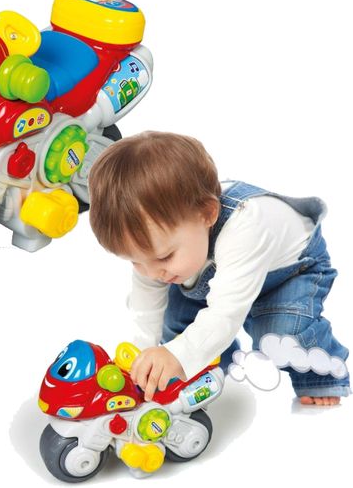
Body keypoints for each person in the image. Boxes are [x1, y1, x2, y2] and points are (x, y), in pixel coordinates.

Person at [88, 131, 350, 406]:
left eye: (164, 257)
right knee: (172, 316)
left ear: (207, 214)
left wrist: (178, 354)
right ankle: (213, 365)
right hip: (220, 273)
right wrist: (142, 357)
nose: (152, 273)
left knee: (278, 333)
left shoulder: (245, 227)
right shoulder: (163, 244)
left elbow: (226, 312)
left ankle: (321, 377)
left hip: (290, 271)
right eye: (135, 261)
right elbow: (147, 307)